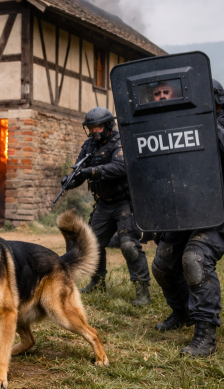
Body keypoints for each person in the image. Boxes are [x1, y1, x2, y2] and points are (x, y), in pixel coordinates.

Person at [151, 79, 224, 357]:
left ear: (215, 100)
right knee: (162, 264)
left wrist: (203, 120)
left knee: (195, 258)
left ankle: (205, 335)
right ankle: (182, 313)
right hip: (191, 209)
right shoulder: (181, 129)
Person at [63, 107, 152, 306]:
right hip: (103, 203)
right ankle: (97, 282)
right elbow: (79, 171)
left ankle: (142, 290)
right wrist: (70, 181)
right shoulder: (89, 146)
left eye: (98, 127)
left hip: (124, 202)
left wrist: (91, 172)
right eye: (91, 127)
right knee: (93, 244)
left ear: (108, 125)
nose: (94, 131)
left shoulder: (120, 142)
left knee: (128, 245)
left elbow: (120, 167)